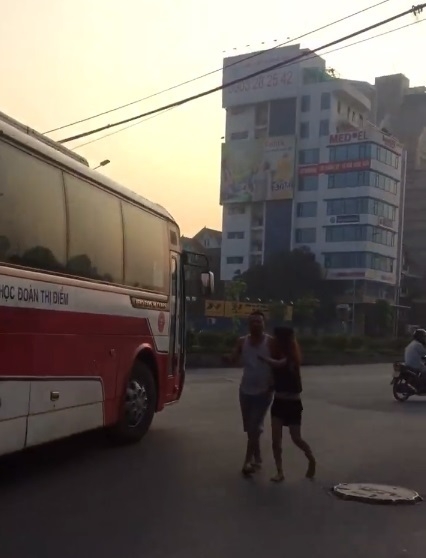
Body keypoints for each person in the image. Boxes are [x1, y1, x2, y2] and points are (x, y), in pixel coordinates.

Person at [258, 326, 316, 483]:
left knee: (296, 438)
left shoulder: (291, 358)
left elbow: (278, 364)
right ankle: (279, 471)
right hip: (279, 401)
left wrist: (264, 359)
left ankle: (310, 458)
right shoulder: (277, 354)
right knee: (276, 440)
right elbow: (273, 376)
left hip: (293, 403)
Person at [226, 310, 274, 477]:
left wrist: (272, 383)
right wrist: (228, 358)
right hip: (245, 390)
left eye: (259, 321)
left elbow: (279, 364)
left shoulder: (271, 343)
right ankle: (258, 457)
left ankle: (247, 461)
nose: (256, 324)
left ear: (264, 324)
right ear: (248, 324)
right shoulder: (242, 342)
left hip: (264, 391)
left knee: (254, 426)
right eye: (253, 322)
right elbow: (233, 358)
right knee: (250, 428)